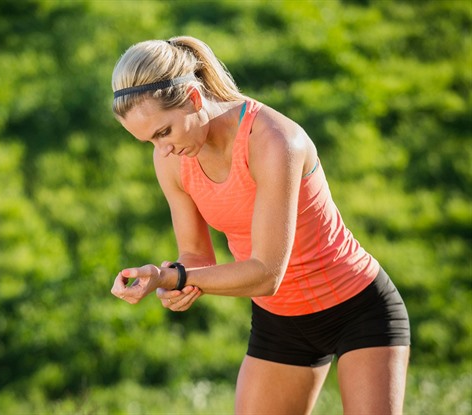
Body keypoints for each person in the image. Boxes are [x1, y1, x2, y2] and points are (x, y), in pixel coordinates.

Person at [110, 35, 411, 415]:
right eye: (149, 141)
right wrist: (170, 276)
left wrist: (178, 279)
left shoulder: (274, 141)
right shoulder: (171, 159)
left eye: (164, 132)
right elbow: (196, 256)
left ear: (195, 99)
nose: (162, 149)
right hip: (280, 322)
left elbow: (268, 273)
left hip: (357, 309)